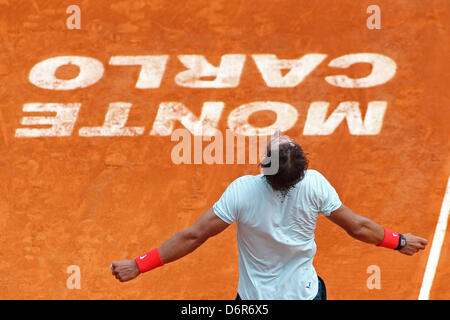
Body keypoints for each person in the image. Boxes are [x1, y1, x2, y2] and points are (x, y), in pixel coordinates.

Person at [110, 131, 428, 300]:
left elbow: (193, 236)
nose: (278, 135)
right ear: (302, 167)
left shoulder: (242, 191)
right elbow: (358, 227)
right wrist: (398, 242)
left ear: (265, 167)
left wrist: (139, 264)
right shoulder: (315, 185)